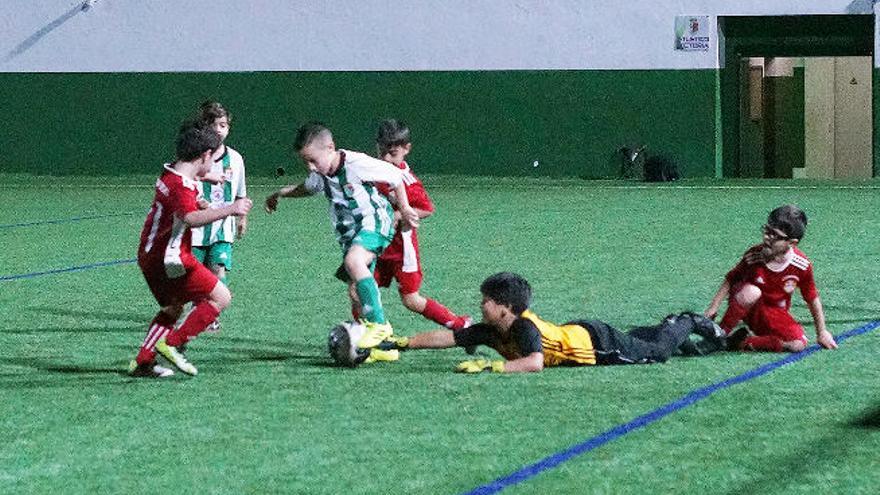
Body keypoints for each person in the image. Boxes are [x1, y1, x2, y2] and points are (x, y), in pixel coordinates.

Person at [264, 122, 419, 356]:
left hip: (375, 222)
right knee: (356, 293)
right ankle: (382, 348)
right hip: (351, 235)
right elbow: (308, 187)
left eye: (313, 160)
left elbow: (396, 176)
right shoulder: (321, 172)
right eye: (306, 162)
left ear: (330, 148)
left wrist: (405, 208)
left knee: (354, 262)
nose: (310, 167)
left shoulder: (355, 163)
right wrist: (281, 193)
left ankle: (379, 325)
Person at [379, 272, 723, 373]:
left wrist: (493, 367)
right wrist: (402, 343)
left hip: (600, 346)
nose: (481, 305)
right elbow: (449, 338)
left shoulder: (523, 328)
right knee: (642, 342)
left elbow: (534, 363)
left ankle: (686, 321)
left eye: (487, 301)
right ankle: (673, 329)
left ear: (506, 308)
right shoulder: (492, 329)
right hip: (582, 331)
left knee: (657, 353)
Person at [129, 120, 253, 377]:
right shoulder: (182, 186)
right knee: (221, 297)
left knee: (173, 308)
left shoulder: (171, 173)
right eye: (212, 160)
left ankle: (143, 361)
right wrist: (231, 209)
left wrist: (205, 178)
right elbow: (190, 218)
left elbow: (188, 184)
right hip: (171, 258)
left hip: (151, 255)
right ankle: (172, 344)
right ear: (205, 155)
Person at [355, 119, 470, 331]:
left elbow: (426, 208)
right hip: (375, 246)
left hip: (402, 251)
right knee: (356, 291)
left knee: (411, 299)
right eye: (383, 152)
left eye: (393, 153)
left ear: (406, 149)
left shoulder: (408, 181)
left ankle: (460, 325)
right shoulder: (372, 172)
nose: (387, 158)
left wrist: (398, 215)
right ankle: (364, 334)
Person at [704, 204, 837, 352]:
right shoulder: (754, 255)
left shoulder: (801, 265)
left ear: (792, 243)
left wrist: (822, 332)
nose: (767, 237)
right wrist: (713, 307)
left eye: (775, 235)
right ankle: (720, 334)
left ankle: (736, 343)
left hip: (774, 312)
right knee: (752, 292)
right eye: (767, 230)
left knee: (798, 344)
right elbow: (731, 279)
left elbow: (812, 297)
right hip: (747, 304)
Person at [190, 101, 249, 332]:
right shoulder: (194, 157)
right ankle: (198, 309)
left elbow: (240, 192)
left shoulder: (235, 159)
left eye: (223, 125)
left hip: (223, 229)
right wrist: (197, 201)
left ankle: (211, 313)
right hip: (195, 229)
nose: (218, 130)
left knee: (217, 269)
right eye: (213, 125)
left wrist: (242, 218)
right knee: (196, 275)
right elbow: (186, 183)